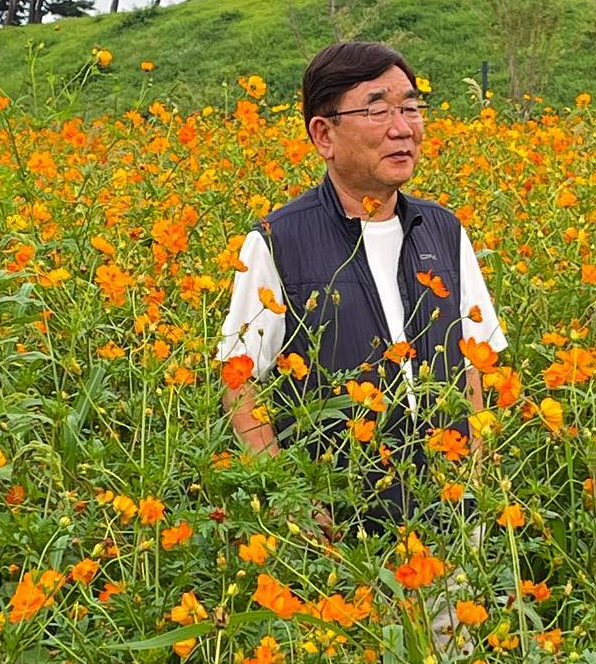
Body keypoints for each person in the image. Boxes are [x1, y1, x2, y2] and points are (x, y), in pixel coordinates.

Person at [215, 40, 507, 537]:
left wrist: (474, 474)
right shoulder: (277, 240)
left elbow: (476, 363)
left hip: (453, 519)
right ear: (324, 134)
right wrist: (292, 498)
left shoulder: (443, 230)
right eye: (377, 110)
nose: (403, 128)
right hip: (342, 531)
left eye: (411, 108)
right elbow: (239, 382)